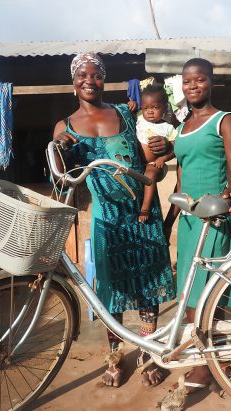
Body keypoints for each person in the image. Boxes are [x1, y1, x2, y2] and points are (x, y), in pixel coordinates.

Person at [52, 52, 175, 388]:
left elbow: (153, 165)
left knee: (148, 287)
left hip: (141, 213)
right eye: (82, 75)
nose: (89, 81)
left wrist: (164, 151)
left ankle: (149, 352)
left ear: (104, 79)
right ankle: (115, 356)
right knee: (111, 291)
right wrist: (61, 151)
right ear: (73, 80)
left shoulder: (125, 113)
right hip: (107, 220)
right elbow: (62, 179)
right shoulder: (65, 127)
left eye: (96, 75)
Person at [162, 58, 231, 394]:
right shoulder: (180, 128)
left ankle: (204, 362)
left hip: (213, 215)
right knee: (190, 291)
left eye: (200, 80)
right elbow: (179, 178)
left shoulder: (223, 120)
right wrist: (168, 222)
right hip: (188, 219)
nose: (193, 86)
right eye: (187, 81)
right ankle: (214, 353)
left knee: (208, 291)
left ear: (211, 82)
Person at [136, 84, 177, 222]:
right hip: (139, 162)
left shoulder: (167, 127)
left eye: (155, 107)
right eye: (146, 108)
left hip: (155, 163)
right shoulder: (139, 119)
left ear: (165, 107)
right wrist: (131, 104)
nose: (150, 112)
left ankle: (145, 209)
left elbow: (176, 147)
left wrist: (163, 158)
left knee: (150, 174)